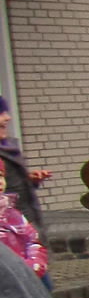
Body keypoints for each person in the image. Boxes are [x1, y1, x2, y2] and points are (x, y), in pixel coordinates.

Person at [0, 93, 49, 257]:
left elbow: (10, 184)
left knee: (37, 264)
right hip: (9, 231)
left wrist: (29, 180)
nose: (7, 117)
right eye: (1, 113)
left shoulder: (8, 147)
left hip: (24, 220)